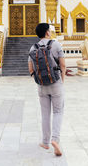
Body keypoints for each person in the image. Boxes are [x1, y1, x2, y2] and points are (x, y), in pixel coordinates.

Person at [28, 23, 66, 156]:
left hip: (42, 86)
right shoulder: (55, 44)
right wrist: (62, 80)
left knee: (45, 114)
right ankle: (55, 140)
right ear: (48, 32)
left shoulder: (33, 47)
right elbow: (63, 65)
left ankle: (45, 142)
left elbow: (31, 69)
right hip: (56, 83)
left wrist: (38, 79)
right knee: (57, 112)